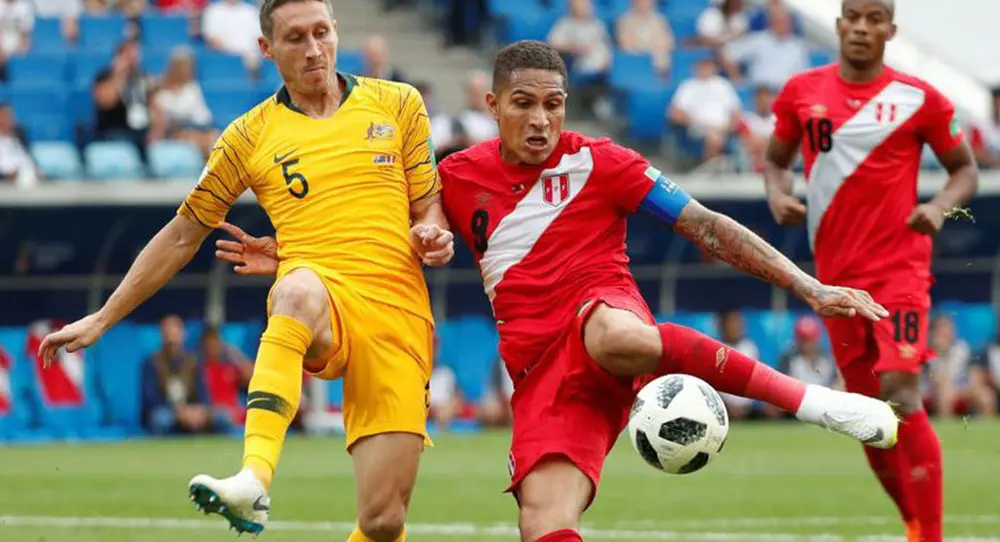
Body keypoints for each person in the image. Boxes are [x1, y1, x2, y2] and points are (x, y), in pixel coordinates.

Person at [216, 40, 901, 542]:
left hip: (603, 314)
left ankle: (818, 403)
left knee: (616, 333)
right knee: (542, 521)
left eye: (553, 104)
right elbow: (373, 234)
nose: (541, 119)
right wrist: (293, 252)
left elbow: (708, 227)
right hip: (540, 372)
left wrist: (809, 286)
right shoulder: (457, 178)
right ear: (493, 106)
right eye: (524, 104)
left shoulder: (604, 163)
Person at [37, 0, 454, 542]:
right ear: (266, 48)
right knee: (295, 290)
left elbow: (427, 203)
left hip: (398, 312)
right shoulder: (247, 137)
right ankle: (254, 477)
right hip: (322, 297)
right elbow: (182, 234)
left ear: (336, 31)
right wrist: (103, 317)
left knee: (383, 521)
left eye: (322, 32)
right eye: (295, 38)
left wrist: (433, 233)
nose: (313, 49)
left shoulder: (399, 103)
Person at [763, 0, 979, 542]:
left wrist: (938, 207)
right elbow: (775, 160)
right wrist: (778, 194)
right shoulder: (801, 92)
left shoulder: (920, 99)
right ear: (838, 25)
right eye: (853, 17)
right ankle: (913, 523)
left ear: (891, 31)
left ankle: (930, 536)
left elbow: (964, 169)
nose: (861, 27)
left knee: (902, 391)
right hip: (833, 278)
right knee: (867, 413)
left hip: (900, 270)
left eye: (874, 19)